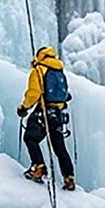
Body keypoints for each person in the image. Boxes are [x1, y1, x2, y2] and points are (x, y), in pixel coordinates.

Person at [16, 45, 75, 190]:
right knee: (59, 147)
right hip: (58, 115)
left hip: (44, 112)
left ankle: (39, 167)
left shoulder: (39, 70)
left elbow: (34, 93)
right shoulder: (59, 71)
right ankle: (69, 177)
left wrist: (24, 107)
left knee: (30, 138)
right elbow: (65, 94)